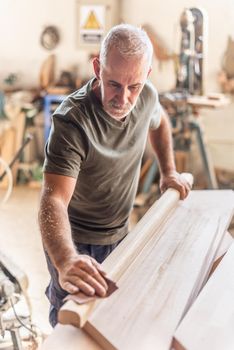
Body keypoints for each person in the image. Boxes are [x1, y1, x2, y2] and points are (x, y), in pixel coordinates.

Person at [38, 24, 191, 327]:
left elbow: (159, 123)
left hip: (121, 234)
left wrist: (168, 171)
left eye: (132, 86)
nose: (123, 98)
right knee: (70, 320)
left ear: (146, 77)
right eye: (113, 84)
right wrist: (66, 260)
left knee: (113, 316)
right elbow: (52, 198)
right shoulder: (73, 121)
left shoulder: (146, 96)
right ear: (97, 67)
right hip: (74, 240)